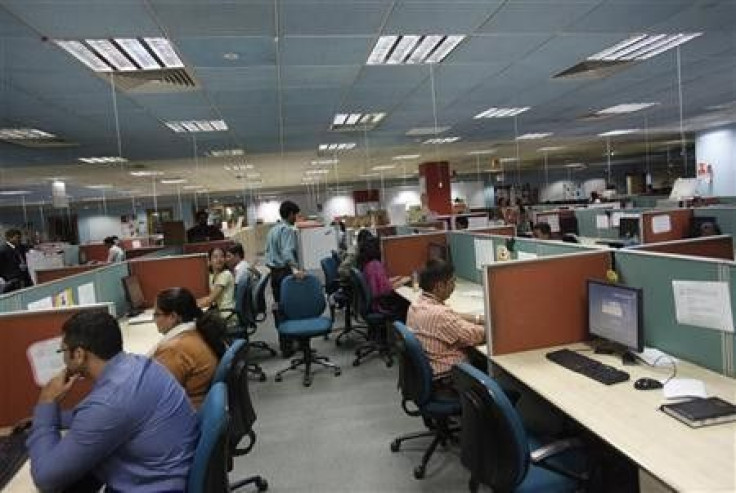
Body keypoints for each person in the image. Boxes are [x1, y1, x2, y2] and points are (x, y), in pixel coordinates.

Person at [26, 311, 199, 492]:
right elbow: (100, 417)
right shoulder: (139, 365)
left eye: (63, 350)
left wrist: (46, 403)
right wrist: (52, 418)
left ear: (78, 354)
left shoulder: (110, 401)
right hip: (170, 473)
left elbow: (45, 479)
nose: (63, 358)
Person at [406, 259, 485, 390]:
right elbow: (476, 335)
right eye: (452, 282)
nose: (454, 286)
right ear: (439, 286)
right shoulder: (440, 315)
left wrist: (479, 318)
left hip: (433, 370)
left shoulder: (418, 304)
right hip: (449, 378)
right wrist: (499, 324)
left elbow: (453, 317)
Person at [152, 287, 226, 408]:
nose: (154, 320)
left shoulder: (175, 348)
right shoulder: (197, 332)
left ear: (173, 316)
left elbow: (156, 394)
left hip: (187, 413)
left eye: (156, 314)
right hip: (200, 404)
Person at [264, 200, 305, 356]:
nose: (296, 218)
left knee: (280, 308)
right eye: (295, 214)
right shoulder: (287, 230)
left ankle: (285, 346)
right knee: (294, 309)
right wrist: (295, 269)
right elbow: (288, 253)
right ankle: (297, 344)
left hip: (275, 274)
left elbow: (268, 253)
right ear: (290, 214)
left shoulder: (272, 230)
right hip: (285, 273)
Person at [358, 236, 410, 322]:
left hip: (372, 304)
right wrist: (400, 283)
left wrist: (395, 280)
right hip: (379, 306)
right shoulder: (375, 265)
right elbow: (383, 291)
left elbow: (379, 284)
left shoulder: (368, 264)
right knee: (406, 304)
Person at [198, 247, 235, 312]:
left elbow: (210, 300)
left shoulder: (225, 274)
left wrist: (192, 306)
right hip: (218, 311)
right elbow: (210, 297)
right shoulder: (212, 275)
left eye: (222, 256)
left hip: (226, 313)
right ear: (209, 261)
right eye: (215, 257)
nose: (219, 259)